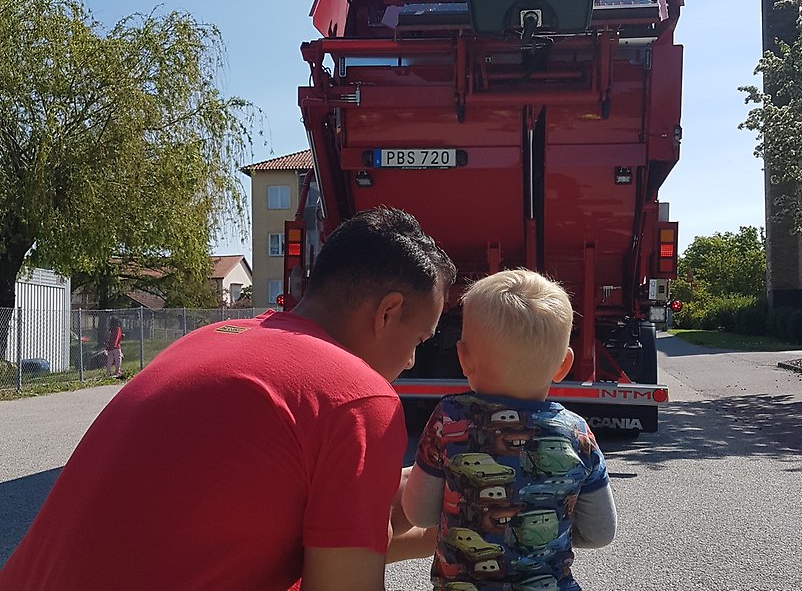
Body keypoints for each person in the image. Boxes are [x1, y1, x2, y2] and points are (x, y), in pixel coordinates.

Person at [0, 207, 456, 591]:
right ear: (388, 312)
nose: (413, 361)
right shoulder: (356, 398)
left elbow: (297, 528)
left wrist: (462, 512)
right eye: (419, 339)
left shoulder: (213, 338)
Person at [402, 269, 617, 591]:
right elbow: (601, 532)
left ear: (463, 359)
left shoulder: (449, 420)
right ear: (564, 365)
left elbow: (419, 513)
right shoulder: (577, 434)